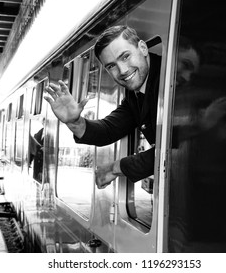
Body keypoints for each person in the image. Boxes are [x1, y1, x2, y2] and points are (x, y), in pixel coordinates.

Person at [45, 25, 161, 189]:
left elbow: (174, 151)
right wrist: (75, 122)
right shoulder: (136, 92)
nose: (123, 70)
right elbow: (109, 130)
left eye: (125, 56)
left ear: (143, 48)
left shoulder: (174, 81)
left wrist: (114, 168)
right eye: (111, 66)